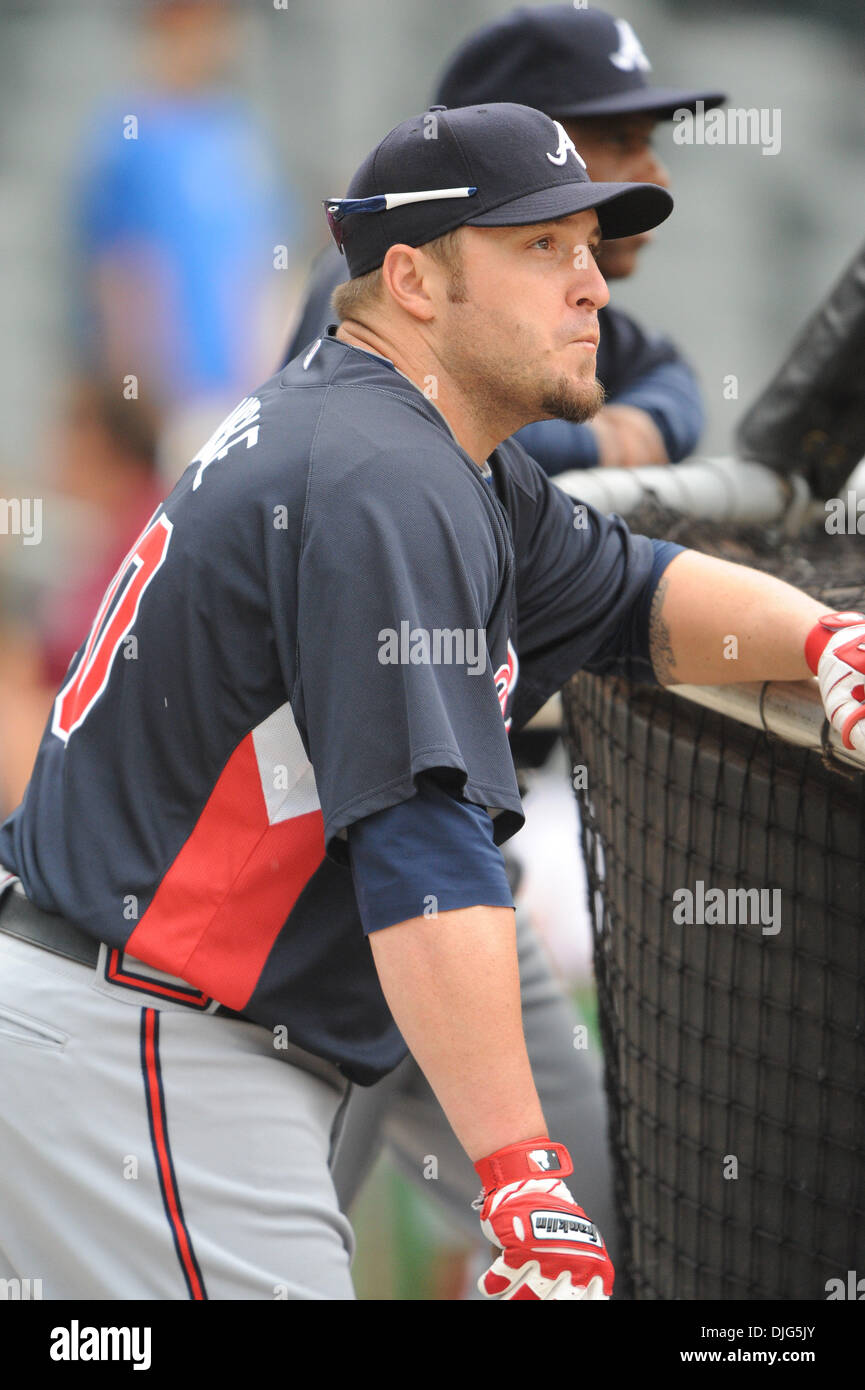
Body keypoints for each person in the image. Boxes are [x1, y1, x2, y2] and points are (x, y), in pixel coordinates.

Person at [0, 102, 846, 1301]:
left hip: (118, 1031)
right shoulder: (382, 474)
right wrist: (521, 1183)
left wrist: (820, 636)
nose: (592, 284)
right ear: (411, 279)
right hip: (149, 1054)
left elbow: (635, 596)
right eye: (539, 246)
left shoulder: (424, 450)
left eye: (590, 246)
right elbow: (421, 846)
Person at [283, 4, 726, 1286]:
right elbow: (454, 438)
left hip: (446, 853)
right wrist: (609, 441)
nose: (645, 169)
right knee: (256, 1259)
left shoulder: (550, 306)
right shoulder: (383, 294)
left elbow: (678, 390)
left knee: (615, 1227)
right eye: (616, 138)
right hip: (322, 876)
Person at [283, 5, 725, 475]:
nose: (657, 174)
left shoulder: (543, 298)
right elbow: (402, 414)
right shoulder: (379, 270)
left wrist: (626, 433)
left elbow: (670, 375)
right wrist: (599, 443)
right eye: (621, 141)